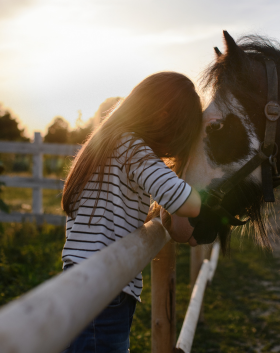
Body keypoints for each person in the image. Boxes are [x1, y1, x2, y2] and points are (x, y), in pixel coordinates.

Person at [61, 72, 203, 353]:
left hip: (79, 282)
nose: (173, 150)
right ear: (163, 117)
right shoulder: (133, 147)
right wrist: (196, 189)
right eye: (180, 135)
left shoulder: (105, 142)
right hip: (105, 289)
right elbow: (188, 203)